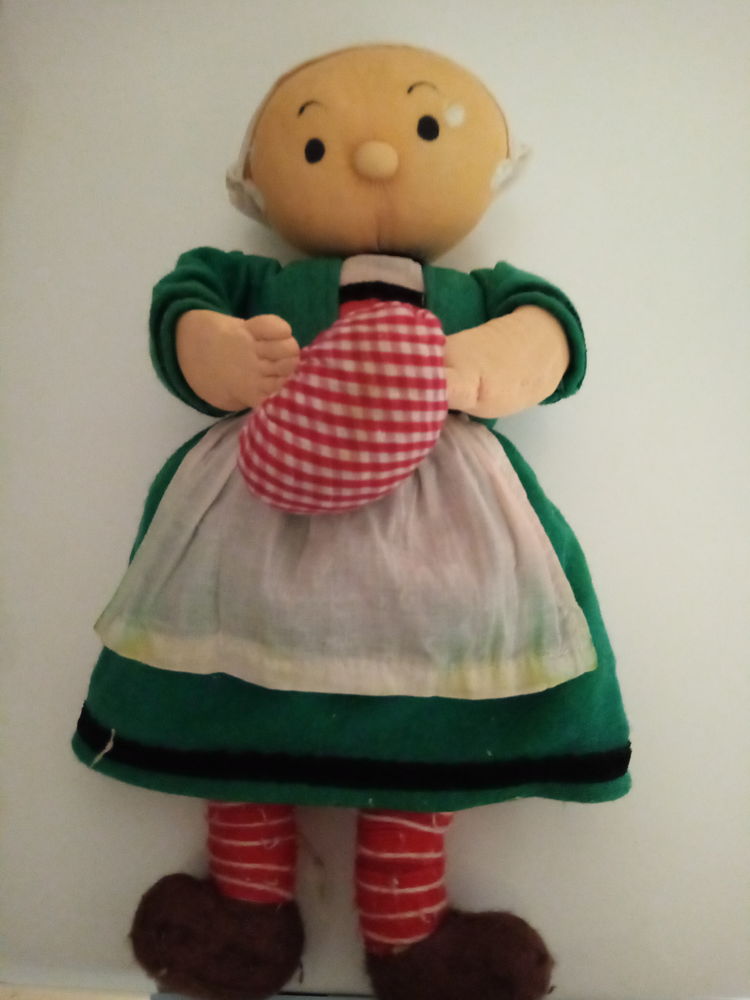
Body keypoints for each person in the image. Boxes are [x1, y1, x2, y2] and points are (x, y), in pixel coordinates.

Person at [73, 43, 630, 1000]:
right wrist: (222, 353)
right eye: (317, 143)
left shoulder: (483, 290)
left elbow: (549, 332)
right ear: (256, 180)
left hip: (445, 524)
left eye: (424, 128)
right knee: (231, 707)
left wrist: (479, 365)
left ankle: (410, 934)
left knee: (429, 726)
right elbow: (183, 310)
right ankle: (245, 910)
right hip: (258, 505)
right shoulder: (250, 279)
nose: (374, 157)